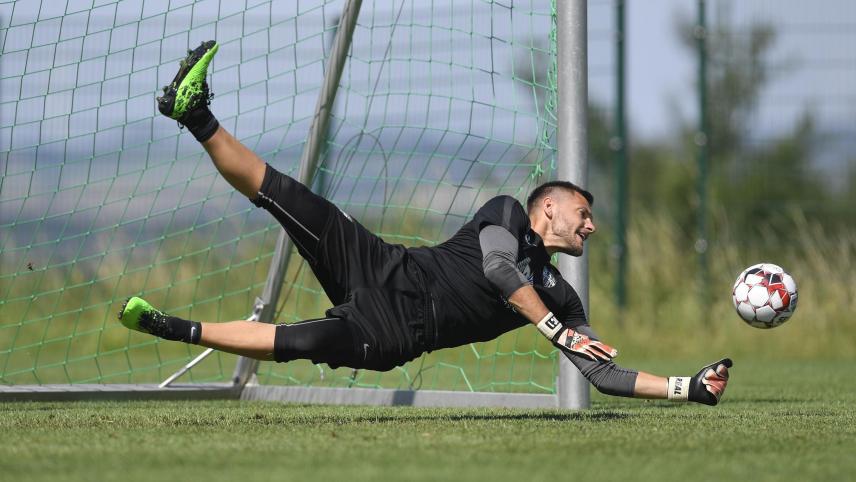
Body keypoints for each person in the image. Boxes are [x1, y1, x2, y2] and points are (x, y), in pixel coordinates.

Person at [120, 41, 732, 405]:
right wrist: (556, 330)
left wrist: (687, 387)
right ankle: (195, 114)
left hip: (396, 330)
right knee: (286, 195)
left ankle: (174, 329)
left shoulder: (562, 297)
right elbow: (496, 267)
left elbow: (602, 373)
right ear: (549, 206)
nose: (591, 226)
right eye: (584, 213)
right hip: (387, 263)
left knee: (296, 342)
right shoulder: (506, 215)